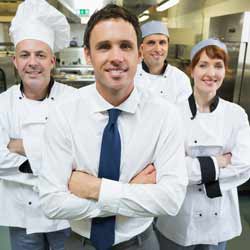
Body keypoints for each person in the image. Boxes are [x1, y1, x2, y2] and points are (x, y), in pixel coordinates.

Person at [38, 4, 188, 250]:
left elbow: (170, 200)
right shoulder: (64, 113)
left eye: (125, 46)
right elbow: (53, 203)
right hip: (80, 243)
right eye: (104, 46)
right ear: (88, 55)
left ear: (139, 54)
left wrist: (94, 189)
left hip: (140, 242)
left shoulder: (164, 115)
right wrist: (131, 191)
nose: (116, 57)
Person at [154, 38, 250, 250]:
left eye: (218, 66)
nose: (211, 73)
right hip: (179, 217)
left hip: (220, 218)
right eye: (203, 65)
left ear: (226, 71)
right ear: (192, 70)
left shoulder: (236, 115)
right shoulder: (172, 113)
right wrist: (219, 161)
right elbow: (168, 169)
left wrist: (191, 166)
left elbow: (243, 167)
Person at [0, 0, 76, 249]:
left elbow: (82, 156)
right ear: (15, 62)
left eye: (40, 55)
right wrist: (53, 157)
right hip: (21, 215)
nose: (32, 62)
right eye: (25, 55)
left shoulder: (74, 101)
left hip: (67, 216)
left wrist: (19, 146)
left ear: (52, 61)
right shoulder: (3, 103)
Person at [134, 20, 192, 104]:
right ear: (141, 47)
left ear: (168, 46)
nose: (158, 49)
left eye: (162, 43)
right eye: (151, 43)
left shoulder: (180, 79)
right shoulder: (131, 75)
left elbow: (184, 114)